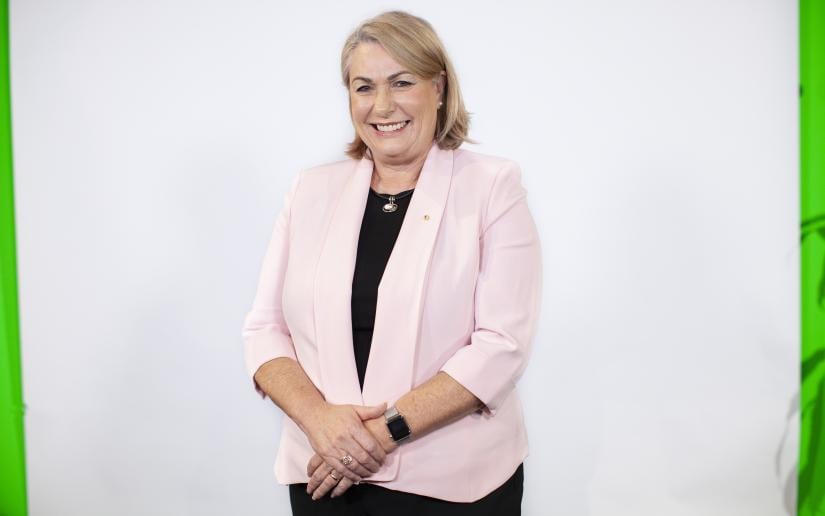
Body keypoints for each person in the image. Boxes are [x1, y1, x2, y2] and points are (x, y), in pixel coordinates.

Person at [242, 10, 542, 516]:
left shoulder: (491, 188)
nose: (382, 106)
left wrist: (381, 434)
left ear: (439, 86)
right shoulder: (310, 191)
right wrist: (318, 421)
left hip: (455, 485)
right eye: (363, 87)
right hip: (326, 476)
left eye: (401, 82)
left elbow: (501, 345)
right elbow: (264, 329)